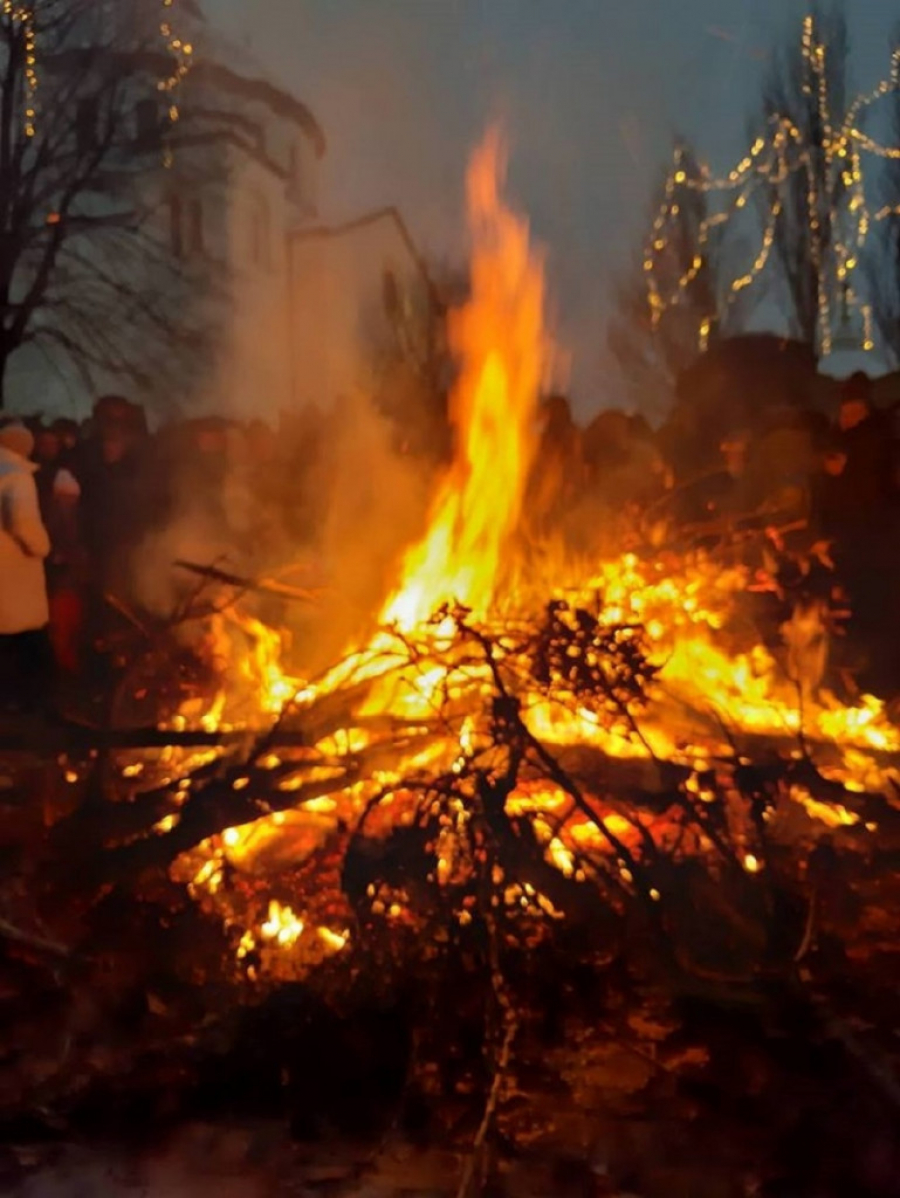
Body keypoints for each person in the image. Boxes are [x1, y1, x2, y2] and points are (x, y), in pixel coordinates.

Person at [0, 423, 53, 710]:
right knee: (25, 638)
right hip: (14, 571)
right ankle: (27, 703)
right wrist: (42, 546)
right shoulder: (18, 477)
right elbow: (23, 522)